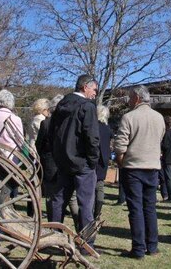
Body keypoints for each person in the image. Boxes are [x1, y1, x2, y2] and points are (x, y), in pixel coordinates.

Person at [112, 86, 165, 259]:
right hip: (152, 167)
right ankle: (153, 246)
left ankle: (138, 249)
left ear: (136, 98)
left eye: (130, 97)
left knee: (135, 209)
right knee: (150, 208)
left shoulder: (129, 117)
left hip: (133, 167)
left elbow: (120, 145)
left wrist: (121, 162)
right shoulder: (159, 118)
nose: (128, 100)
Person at [49, 75, 101, 248]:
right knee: (86, 203)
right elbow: (92, 137)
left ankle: (54, 237)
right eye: (94, 89)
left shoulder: (61, 104)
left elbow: (52, 133)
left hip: (63, 161)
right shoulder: (87, 106)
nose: (95, 93)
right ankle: (87, 243)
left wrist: (58, 155)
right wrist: (93, 161)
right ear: (85, 87)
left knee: (59, 200)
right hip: (82, 162)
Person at [36, 96, 79, 225]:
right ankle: (80, 228)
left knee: (52, 199)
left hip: (51, 166)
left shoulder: (46, 123)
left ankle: (54, 227)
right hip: (68, 165)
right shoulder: (72, 122)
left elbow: (39, 145)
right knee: (72, 198)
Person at [95, 104, 112, 219]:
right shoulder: (108, 129)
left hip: (94, 159)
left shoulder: (94, 127)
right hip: (104, 159)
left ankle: (92, 209)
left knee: (92, 186)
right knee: (100, 185)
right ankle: (97, 211)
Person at [160, 115, 171, 203]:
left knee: (168, 178)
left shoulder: (167, 133)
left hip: (168, 158)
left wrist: (160, 144)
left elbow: (165, 146)